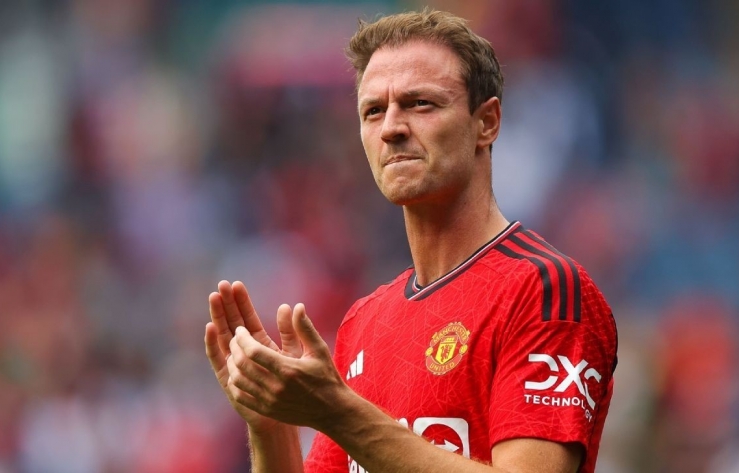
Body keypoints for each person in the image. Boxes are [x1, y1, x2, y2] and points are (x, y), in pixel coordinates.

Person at [205, 9, 617, 473]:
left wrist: (337, 411)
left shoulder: (542, 291)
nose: (391, 128)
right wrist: (270, 423)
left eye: (420, 104)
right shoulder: (364, 322)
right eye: (373, 111)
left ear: (487, 123)